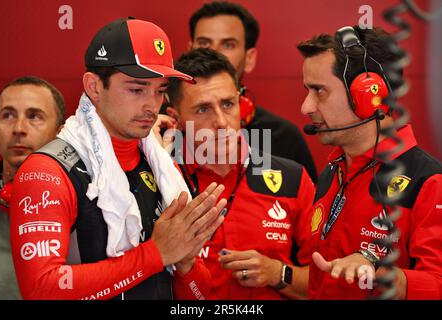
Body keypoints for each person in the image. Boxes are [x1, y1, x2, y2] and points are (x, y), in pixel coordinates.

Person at [9, 18, 226, 300]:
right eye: (137, 89)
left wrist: (185, 265)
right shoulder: (46, 172)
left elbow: (200, 298)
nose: (151, 104)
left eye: (160, 91)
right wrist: (156, 254)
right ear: (95, 87)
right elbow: (42, 290)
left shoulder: (163, 167)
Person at [297, 25, 442, 299]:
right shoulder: (332, 172)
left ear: (367, 94)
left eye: (319, 91)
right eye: (307, 90)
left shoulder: (429, 182)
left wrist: (386, 275)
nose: (306, 107)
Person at [162, 48, 315, 299]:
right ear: (175, 119)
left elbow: (329, 284)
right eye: (203, 109)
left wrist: (278, 273)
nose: (221, 122)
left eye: (228, 104)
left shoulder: (291, 178)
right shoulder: (160, 178)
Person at [187, 1, 318, 182]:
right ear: (190, 50)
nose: (213, 54)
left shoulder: (284, 138)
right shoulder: (161, 133)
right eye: (204, 43)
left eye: (228, 45)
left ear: (249, 58)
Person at [0, 76, 65, 299]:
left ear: (59, 132)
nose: (18, 128)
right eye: (8, 115)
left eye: (34, 116)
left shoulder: (88, 201)